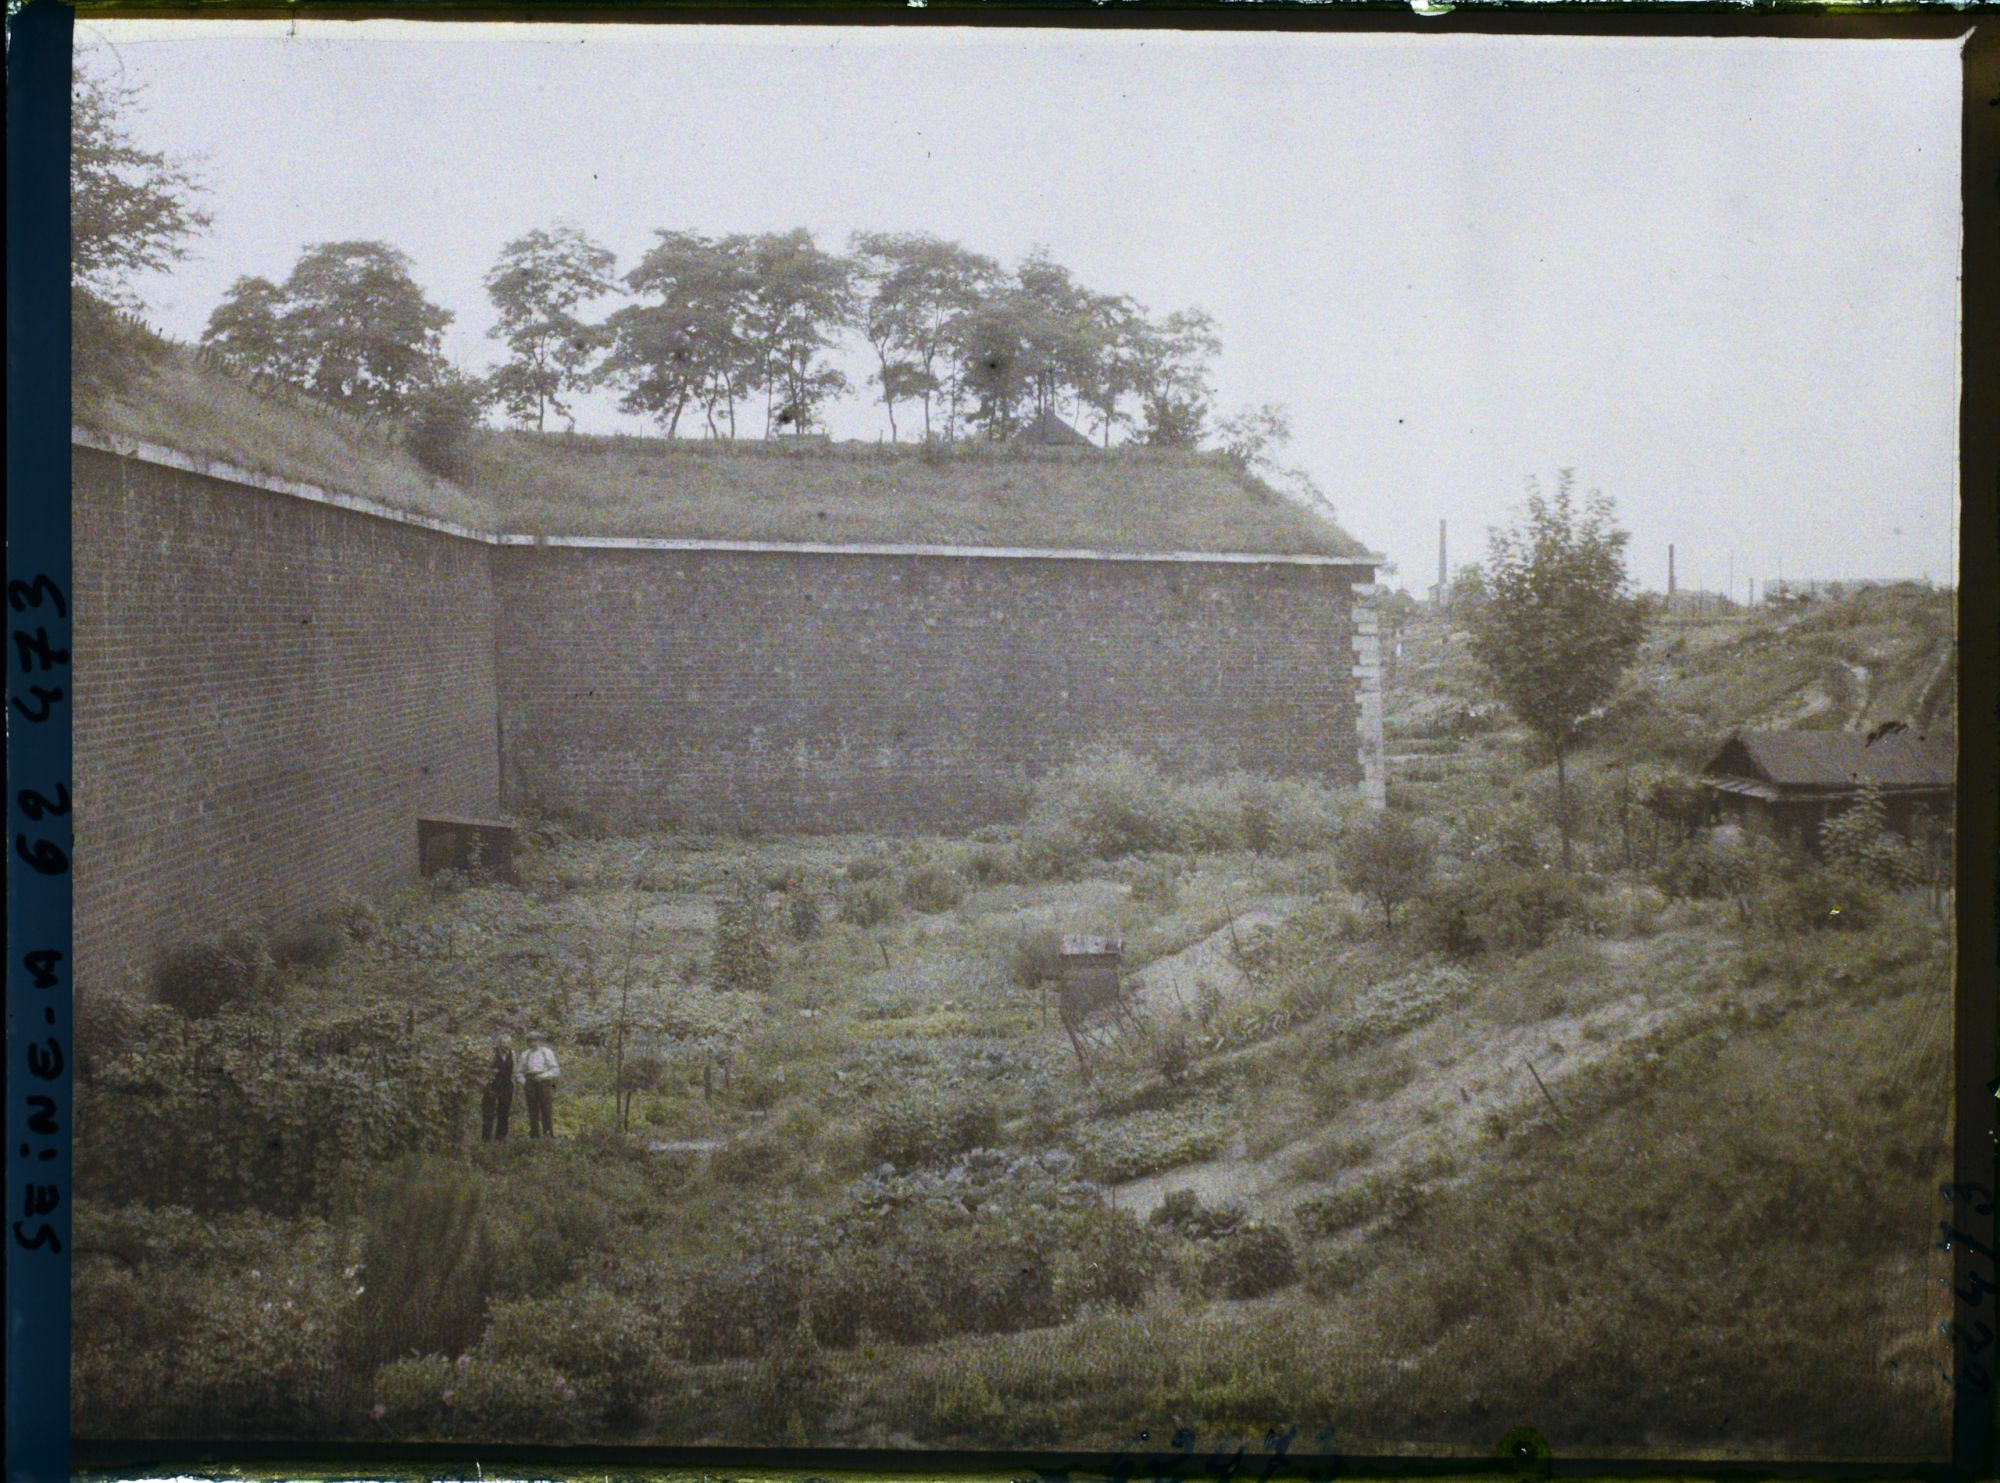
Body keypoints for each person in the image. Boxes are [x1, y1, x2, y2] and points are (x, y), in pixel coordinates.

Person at [522, 1031, 560, 1138]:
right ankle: (534, 1135)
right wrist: (525, 1082)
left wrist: (543, 1076)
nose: (532, 1043)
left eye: (535, 1040)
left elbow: (556, 1070)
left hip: (543, 1082)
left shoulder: (546, 1052)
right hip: (530, 1083)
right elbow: (519, 1072)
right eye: (530, 1041)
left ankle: (548, 1134)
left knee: (546, 1108)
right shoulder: (525, 1054)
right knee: (532, 1109)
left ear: (539, 1041)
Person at [480, 1036, 514, 1142]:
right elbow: (484, 1069)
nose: (506, 1046)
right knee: (488, 1113)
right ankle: (486, 1139)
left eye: (508, 1043)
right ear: (499, 1044)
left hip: (507, 1087)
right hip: (492, 1087)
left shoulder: (512, 1054)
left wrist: (514, 1084)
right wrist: (484, 1084)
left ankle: (501, 1138)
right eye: (504, 1043)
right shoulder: (491, 1054)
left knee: (504, 1113)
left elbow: (515, 1070)